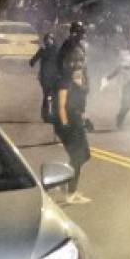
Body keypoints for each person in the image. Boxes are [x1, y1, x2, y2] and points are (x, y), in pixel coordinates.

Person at [55, 46, 92, 204]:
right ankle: (70, 192)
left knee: (84, 155)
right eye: (76, 60)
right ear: (70, 63)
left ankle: (66, 183)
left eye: (81, 60)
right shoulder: (65, 80)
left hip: (77, 120)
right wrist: (65, 125)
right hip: (68, 122)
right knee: (78, 156)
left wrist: (85, 119)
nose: (79, 63)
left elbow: (80, 102)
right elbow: (61, 105)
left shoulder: (82, 78)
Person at [30, 33, 60, 122]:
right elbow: (32, 61)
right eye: (46, 39)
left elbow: (63, 61)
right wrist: (33, 61)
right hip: (45, 76)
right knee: (47, 94)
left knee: (54, 95)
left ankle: (53, 114)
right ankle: (46, 115)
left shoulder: (57, 50)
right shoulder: (42, 50)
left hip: (55, 76)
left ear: (53, 40)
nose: (47, 41)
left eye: (49, 39)